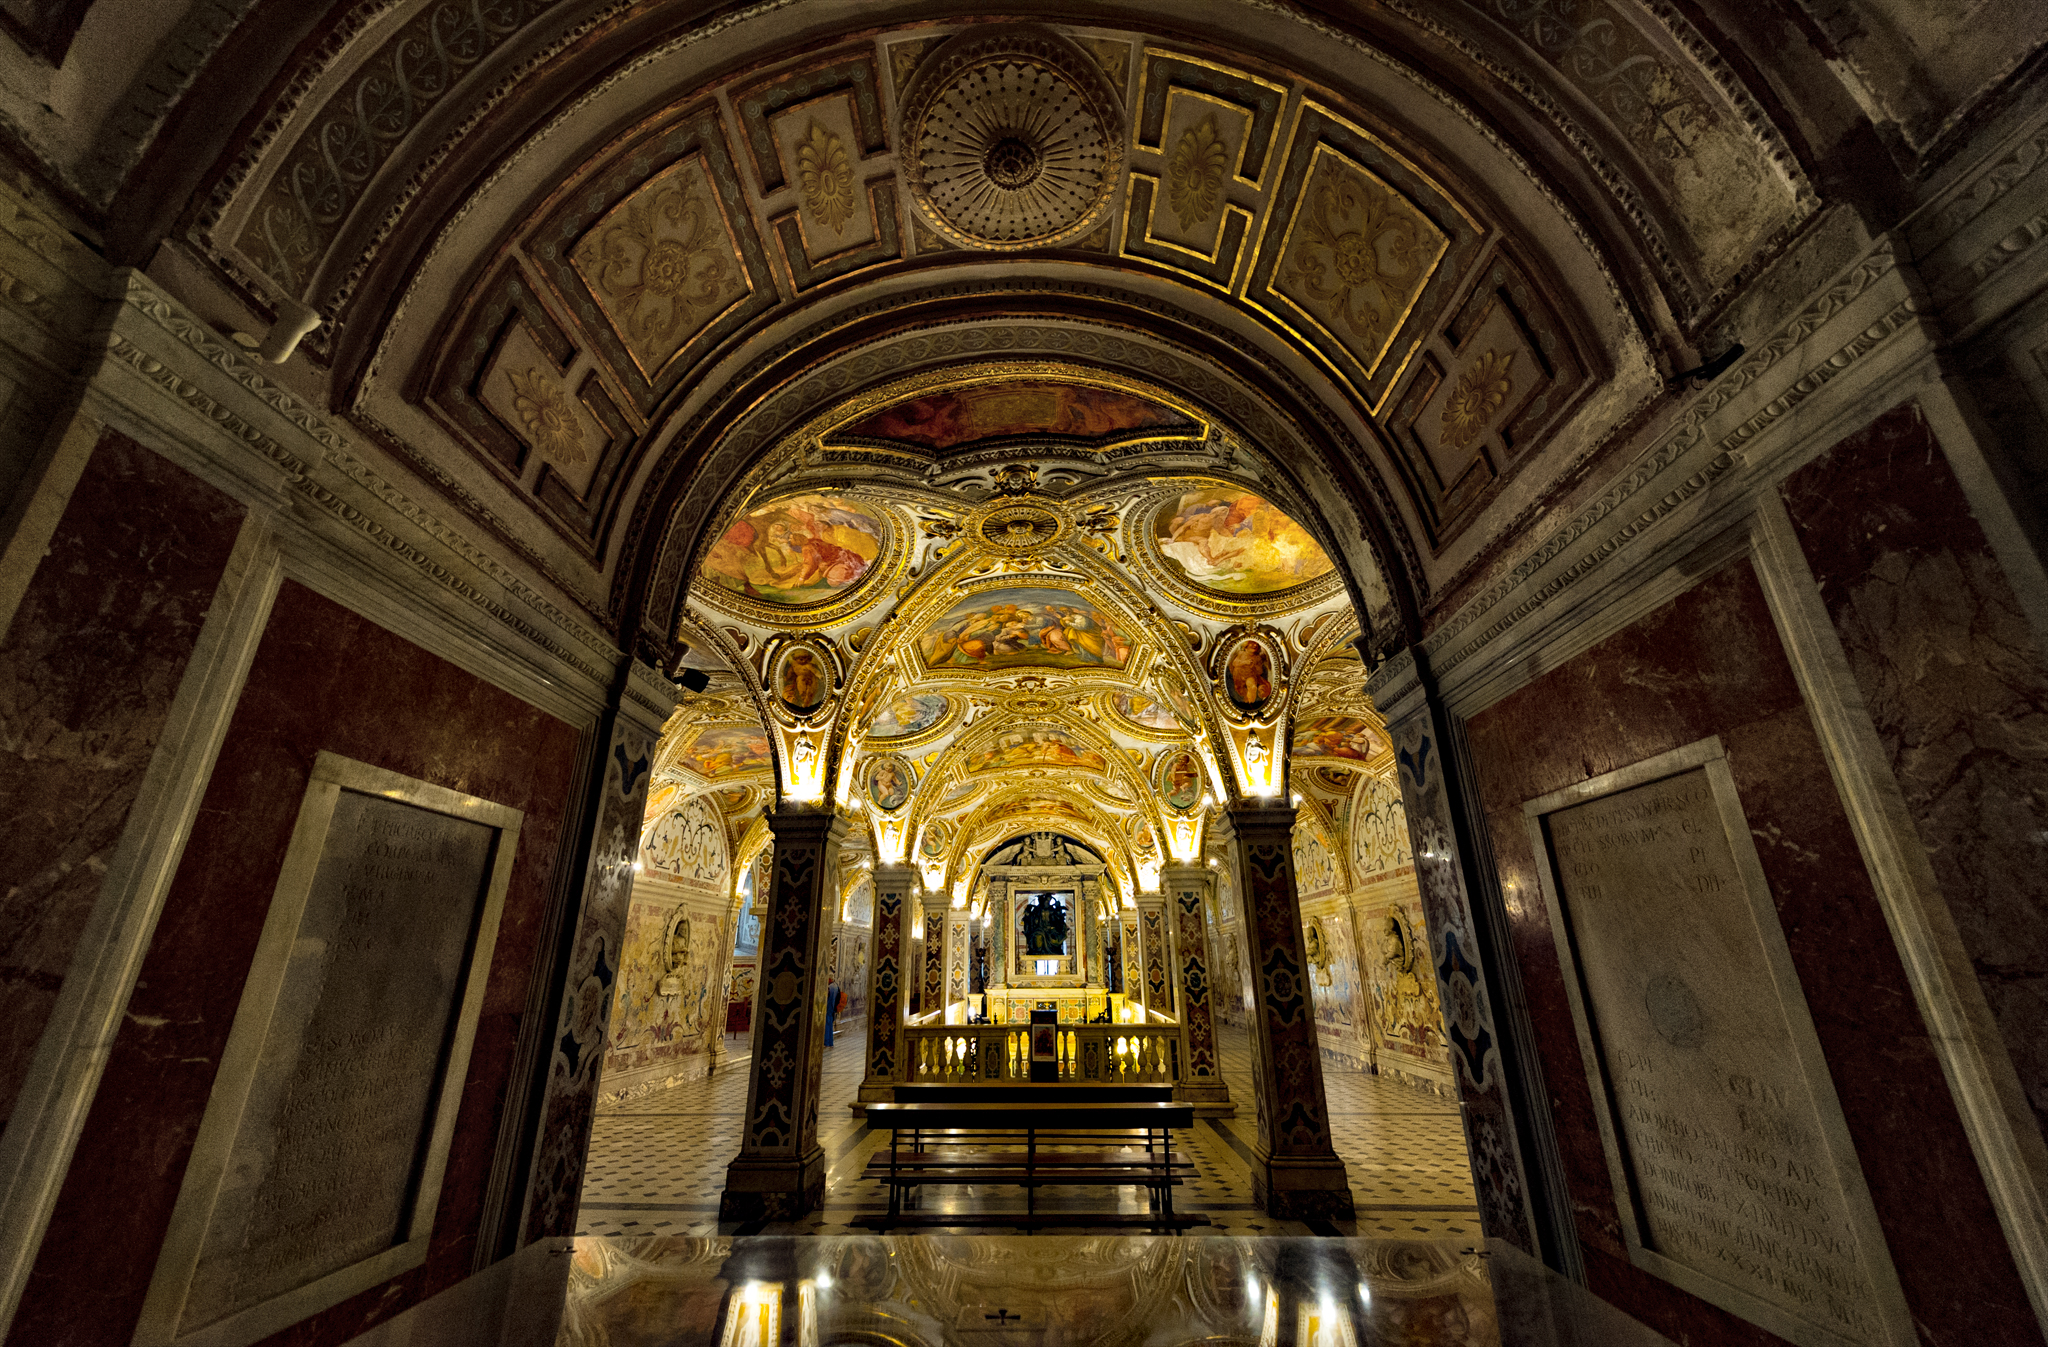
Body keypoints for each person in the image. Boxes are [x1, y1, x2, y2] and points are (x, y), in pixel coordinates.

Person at [825, 977, 840, 1046]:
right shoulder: (836, 986)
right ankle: (830, 1042)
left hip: (827, 1007)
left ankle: (826, 1041)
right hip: (833, 1008)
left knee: (827, 1025)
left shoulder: (829, 987)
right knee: (830, 1024)